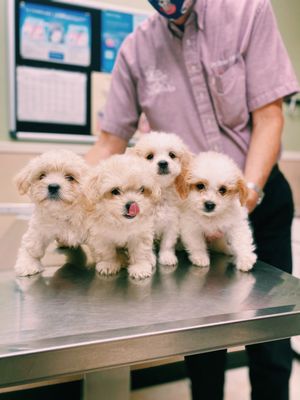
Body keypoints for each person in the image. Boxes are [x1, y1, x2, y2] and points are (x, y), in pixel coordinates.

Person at [85, 0, 299, 398]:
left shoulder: (248, 12)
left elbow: (269, 117)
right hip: (187, 207)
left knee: (269, 337)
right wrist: (73, 190)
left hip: (254, 193)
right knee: (201, 339)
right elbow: (110, 141)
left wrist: (239, 202)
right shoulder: (136, 49)